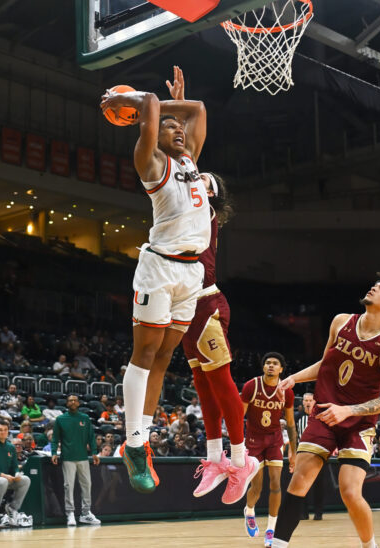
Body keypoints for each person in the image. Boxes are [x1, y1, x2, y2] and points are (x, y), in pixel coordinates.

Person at [100, 65, 211, 493]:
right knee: (145, 353)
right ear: (151, 133)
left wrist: (174, 111)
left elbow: (197, 108)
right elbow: (147, 104)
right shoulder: (150, 162)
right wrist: (134, 105)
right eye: (168, 128)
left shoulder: (190, 159)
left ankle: (141, 437)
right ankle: (133, 444)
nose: (178, 131)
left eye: (178, 128)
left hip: (192, 271)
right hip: (160, 267)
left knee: (165, 358)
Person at [272, 271, 380, 548]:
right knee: (299, 480)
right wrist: (295, 377)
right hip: (325, 414)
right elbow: (326, 364)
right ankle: (278, 544)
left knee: (350, 492)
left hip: (359, 423)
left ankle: (369, 545)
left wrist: (348, 410)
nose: (374, 286)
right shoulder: (341, 322)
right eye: (375, 283)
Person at [160, 68, 248, 503]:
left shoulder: (205, 211)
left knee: (223, 382)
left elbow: (188, 154)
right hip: (185, 304)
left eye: (208, 180)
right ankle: (216, 458)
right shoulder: (181, 200)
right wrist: (177, 109)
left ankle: (241, 456)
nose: (202, 178)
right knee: (203, 387)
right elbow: (182, 160)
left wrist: (178, 110)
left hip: (209, 304)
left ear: (213, 195)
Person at [241, 352, 296, 546]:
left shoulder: (286, 391)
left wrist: (293, 451)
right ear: (263, 367)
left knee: (276, 484)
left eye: (275, 363)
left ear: (281, 369)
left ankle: (271, 529)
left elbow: (290, 423)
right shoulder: (251, 386)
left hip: (274, 441)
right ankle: (249, 510)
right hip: (254, 440)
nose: (271, 365)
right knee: (257, 486)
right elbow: (239, 417)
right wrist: (237, 445)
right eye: (267, 363)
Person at [51, 395, 101, 526]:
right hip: (68, 458)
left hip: (83, 458)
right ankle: (70, 513)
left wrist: (94, 453)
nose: (72, 402)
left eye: (75, 400)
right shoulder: (60, 419)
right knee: (68, 486)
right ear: (66, 403)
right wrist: (53, 453)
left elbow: (91, 436)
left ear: (78, 403)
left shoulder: (85, 418)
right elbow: (55, 438)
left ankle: (86, 513)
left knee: (87, 485)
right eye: (70, 400)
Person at [0, 421, 33, 527]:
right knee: (2, 481)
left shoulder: (10, 447)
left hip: (5, 478)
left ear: (8, 432)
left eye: (5, 430)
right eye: (0, 430)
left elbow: (14, 466)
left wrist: (17, 473)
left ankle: (12, 508)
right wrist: (4, 475)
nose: (3, 432)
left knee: (25, 480)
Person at [296, 392, 326, 521]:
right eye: (306, 400)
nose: (308, 402)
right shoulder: (297, 417)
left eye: (310, 400)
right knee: (302, 484)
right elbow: (294, 435)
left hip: (318, 455)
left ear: (314, 402)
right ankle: (303, 512)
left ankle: (318, 512)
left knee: (318, 485)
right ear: (302, 402)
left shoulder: (320, 416)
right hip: (302, 456)